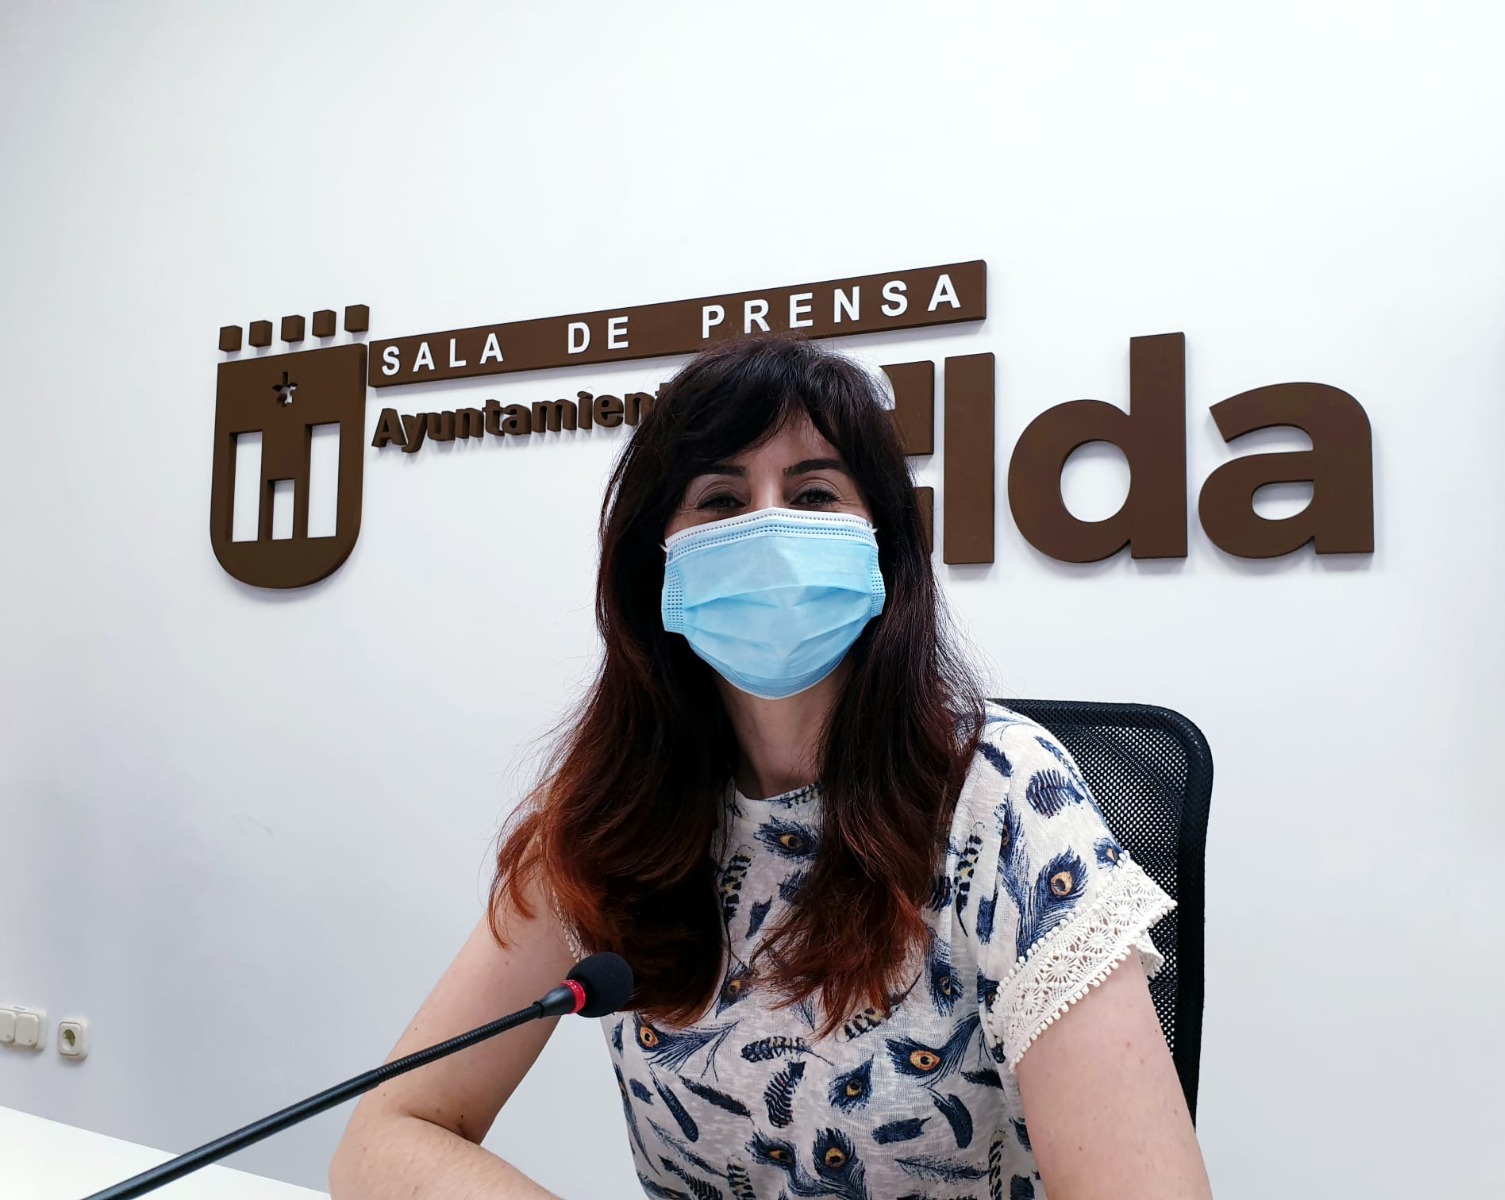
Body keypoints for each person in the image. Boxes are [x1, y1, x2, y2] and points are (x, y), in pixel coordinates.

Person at [328, 336, 1212, 1199]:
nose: (767, 529)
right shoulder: (610, 810)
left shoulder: (1004, 795)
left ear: (883, 546)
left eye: (814, 493)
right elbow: (388, 1133)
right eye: (718, 499)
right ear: (655, 562)